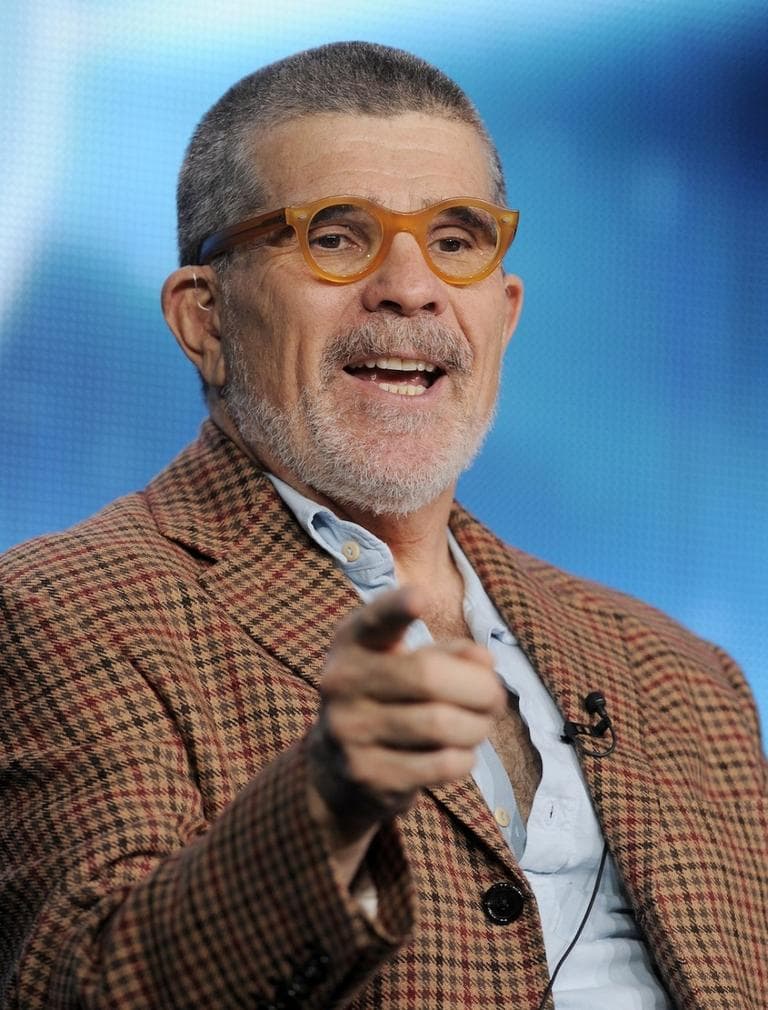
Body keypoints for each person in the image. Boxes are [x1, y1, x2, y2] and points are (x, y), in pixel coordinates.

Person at [0, 41, 765, 1010]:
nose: (411, 287)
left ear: (506, 312)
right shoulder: (61, 613)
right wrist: (324, 799)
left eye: (455, 240)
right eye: (335, 235)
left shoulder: (687, 678)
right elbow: (81, 987)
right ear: (204, 319)